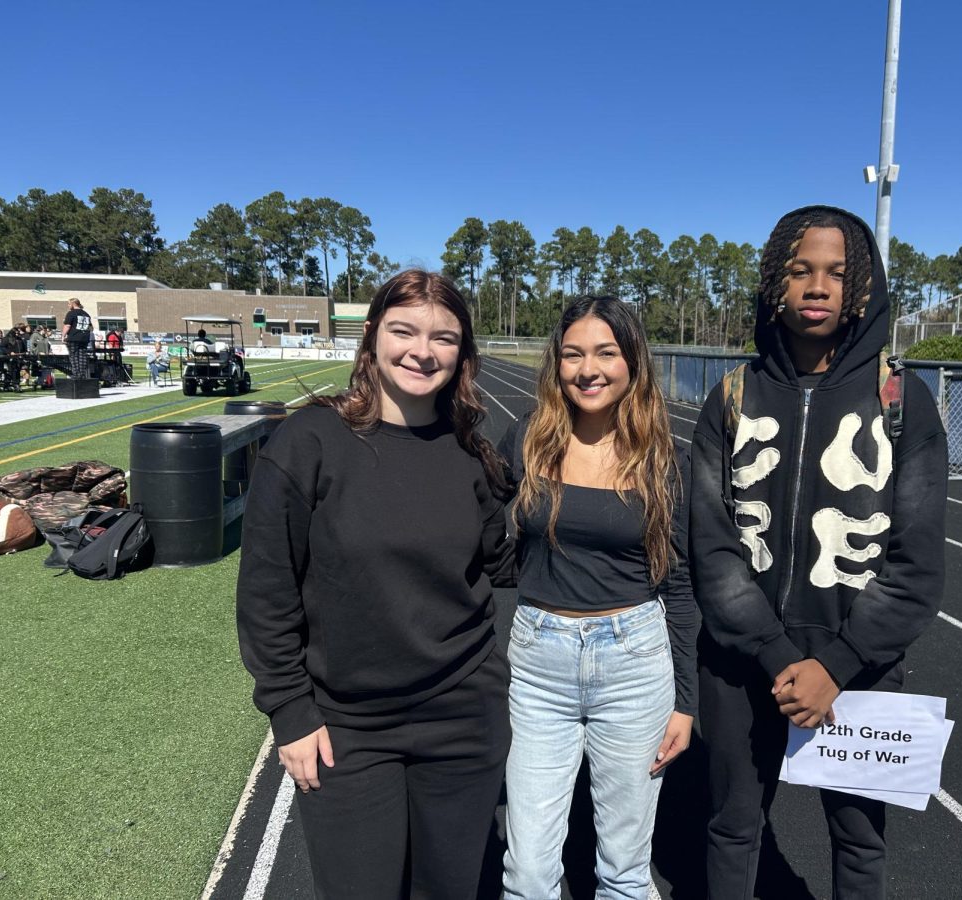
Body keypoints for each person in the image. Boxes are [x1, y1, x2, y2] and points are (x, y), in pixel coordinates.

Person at [689, 206, 948, 899]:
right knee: (733, 827)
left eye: (837, 272)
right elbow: (712, 549)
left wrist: (835, 666)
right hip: (745, 665)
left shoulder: (903, 402)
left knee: (860, 841)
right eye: (800, 270)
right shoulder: (732, 397)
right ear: (776, 281)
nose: (818, 285)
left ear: (864, 288)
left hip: (858, 669)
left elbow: (915, 565)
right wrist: (779, 659)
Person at [236, 270, 516, 899]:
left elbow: (505, 564)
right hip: (347, 728)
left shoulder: (471, 452)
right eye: (404, 330)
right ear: (371, 337)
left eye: (444, 337)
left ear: (462, 353)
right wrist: (289, 710)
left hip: (463, 719)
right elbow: (266, 592)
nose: (423, 350)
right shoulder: (309, 441)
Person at [499, 296, 699, 899]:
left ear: (632, 360)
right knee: (529, 870)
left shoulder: (665, 461)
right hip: (539, 663)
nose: (588, 369)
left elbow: (682, 586)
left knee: (623, 871)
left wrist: (685, 703)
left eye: (606, 353)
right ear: (556, 365)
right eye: (573, 354)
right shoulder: (527, 440)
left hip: (634, 665)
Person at [61, 299, 93, 380]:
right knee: (82, 356)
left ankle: (76, 374)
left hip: (73, 338)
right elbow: (91, 328)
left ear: (73, 304)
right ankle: (82, 374)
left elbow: (67, 325)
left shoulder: (71, 313)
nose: (68, 306)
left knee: (73, 356)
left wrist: (63, 336)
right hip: (84, 338)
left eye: (69, 304)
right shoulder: (86, 314)